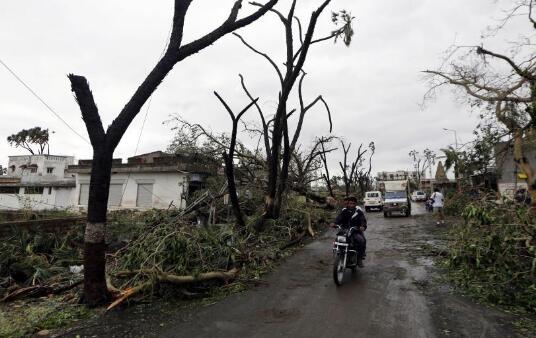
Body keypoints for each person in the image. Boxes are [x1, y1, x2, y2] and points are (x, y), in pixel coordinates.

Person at [330, 196, 367, 267]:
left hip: (355, 230)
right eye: (350, 203)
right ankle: (337, 254)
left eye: (353, 203)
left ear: (355, 204)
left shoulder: (358, 212)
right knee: (337, 240)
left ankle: (359, 258)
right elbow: (339, 218)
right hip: (344, 230)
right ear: (348, 204)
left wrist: (362, 226)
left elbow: (363, 220)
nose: (351, 205)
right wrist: (334, 223)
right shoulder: (344, 211)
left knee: (361, 240)